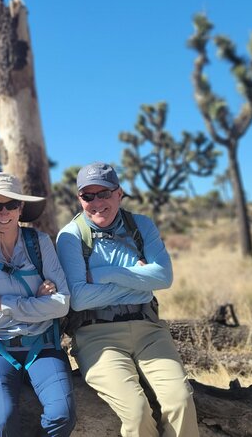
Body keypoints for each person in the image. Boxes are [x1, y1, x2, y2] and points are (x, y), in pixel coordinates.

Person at [56, 162, 198, 437]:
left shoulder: (141, 226)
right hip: (97, 336)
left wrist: (104, 274)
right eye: (88, 196)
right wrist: (139, 282)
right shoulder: (71, 237)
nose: (97, 202)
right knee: (136, 411)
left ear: (119, 193)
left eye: (104, 193)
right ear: (79, 199)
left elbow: (164, 278)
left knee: (180, 400)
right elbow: (80, 299)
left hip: (149, 330)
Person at [0, 172, 76, 437]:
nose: (4, 213)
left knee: (62, 415)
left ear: (21, 208)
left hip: (43, 346)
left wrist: (7, 304)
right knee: (4, 417)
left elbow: (61, 304)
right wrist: (36, 304)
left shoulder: (41, 244)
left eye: (11, 205)